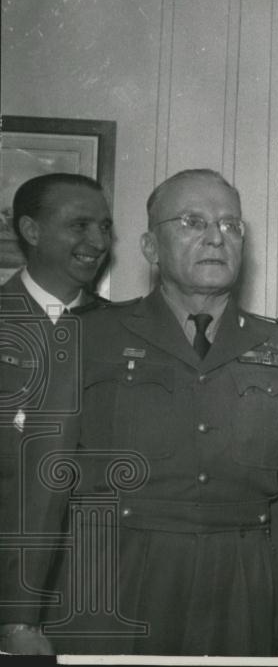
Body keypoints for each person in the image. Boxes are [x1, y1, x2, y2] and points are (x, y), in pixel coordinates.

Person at [4, 169, 278, 656]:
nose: (216, 237)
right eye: (193, 222)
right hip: (110, 582)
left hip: (240, 592)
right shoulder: (86, 336)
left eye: (231, 224)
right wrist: (19, 619)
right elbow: (42, 487)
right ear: (151, 247)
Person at [1, 173, 112, 654]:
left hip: (97, 585)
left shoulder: (121, 331)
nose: (99, 242)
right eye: (80, 225)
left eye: (105, 227)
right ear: (31, 229)